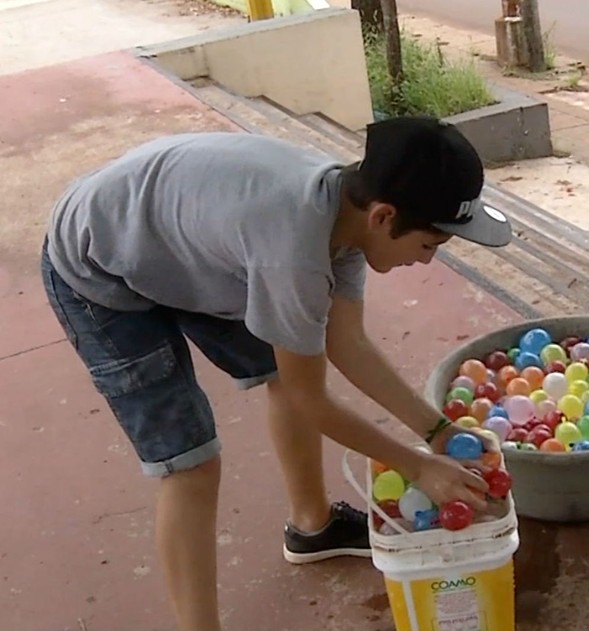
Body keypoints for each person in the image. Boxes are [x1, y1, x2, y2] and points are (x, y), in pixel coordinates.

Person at [39, 115, 513, 631]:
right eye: (428, 247)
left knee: (288, 361)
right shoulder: (293, 254)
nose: (425, 262)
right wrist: (417, 467)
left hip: (186, 247)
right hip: (97, 266)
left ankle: (313, 526)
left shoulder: (345, 219)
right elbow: (313, 400)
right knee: (190, 463)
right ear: (384, 216)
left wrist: (437, 432)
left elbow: (346, 344)